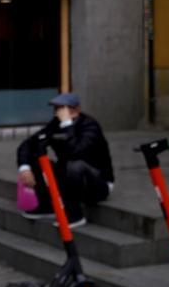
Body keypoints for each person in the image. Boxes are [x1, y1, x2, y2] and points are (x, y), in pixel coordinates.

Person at [16, 93, 114, 228]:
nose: (58, 113)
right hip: (69, 177)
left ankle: (74, 214)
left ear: (76, 110)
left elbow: (75, 152)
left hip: (97, 183)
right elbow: (28, 144)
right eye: (56, 109)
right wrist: (25, 168)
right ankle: (46, 206)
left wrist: (68, 125)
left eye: (63, 108)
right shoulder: (56, 124)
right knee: (36, 159)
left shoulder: (90, 126)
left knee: (75, 165)